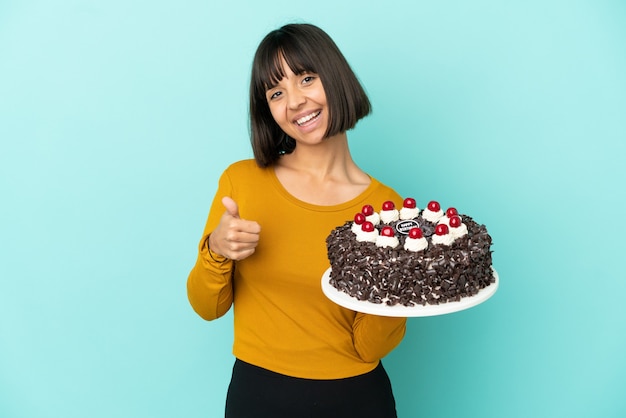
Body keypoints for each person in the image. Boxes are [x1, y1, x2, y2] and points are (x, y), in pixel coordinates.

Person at [187, 23, 407, 418]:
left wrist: (396, 285)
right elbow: (207, 307)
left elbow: (370, 347)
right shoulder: (242, 182)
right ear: (268, 110)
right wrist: (216, 251)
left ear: (335, 78)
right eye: (276, 92)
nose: (294, 102)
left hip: (356, 400)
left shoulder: (386, 209)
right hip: (258, 396)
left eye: (307, 78)